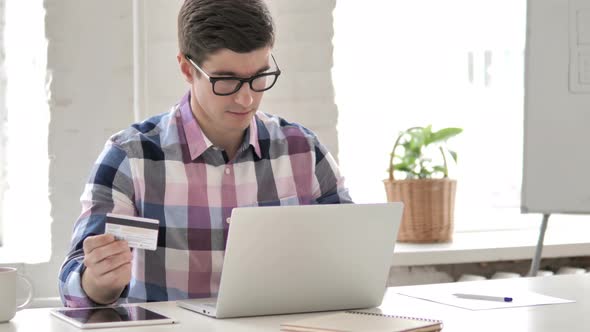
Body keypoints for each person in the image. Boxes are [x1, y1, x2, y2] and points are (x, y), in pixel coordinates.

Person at [58, 0, 352, 307]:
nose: (246, 98)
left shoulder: (303, 151)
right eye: (227, 80)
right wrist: (97, 283)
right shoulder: (130, 158)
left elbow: (353, 257)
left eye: (259, 76)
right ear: (187, 68)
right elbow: (72, 283)